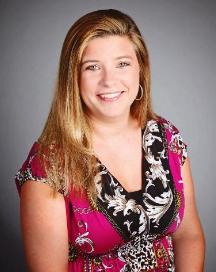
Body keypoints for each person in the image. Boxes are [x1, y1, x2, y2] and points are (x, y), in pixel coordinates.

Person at [15, 9, 205, 272]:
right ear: (73, 79)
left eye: (122, 63)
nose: (109, 80)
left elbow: (189, 235)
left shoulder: (166, 137)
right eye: (93, 67)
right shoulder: (49, 165)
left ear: (141, 68)